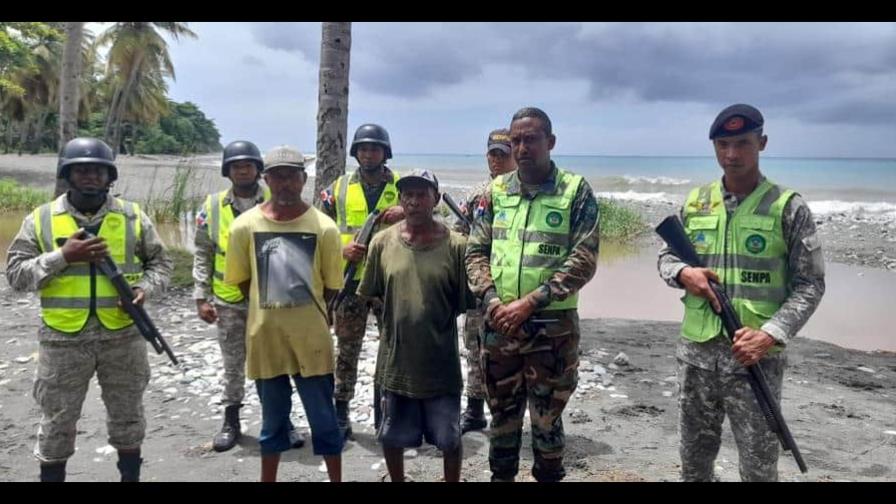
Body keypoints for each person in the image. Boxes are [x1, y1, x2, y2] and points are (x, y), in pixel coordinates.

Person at [657, 103, 825, 482]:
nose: (731, 155)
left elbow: (810, 285)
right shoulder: (696, 202)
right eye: (723, 144)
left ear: (762, 143)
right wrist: (685, 274)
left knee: (759, 468)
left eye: (742, 143)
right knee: (694, 463)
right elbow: (666, 257)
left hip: (755, 361)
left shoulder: (788, 207)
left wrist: (769, 335)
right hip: (697, 357)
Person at [5, 137, 172, 482]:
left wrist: (144, 290)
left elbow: (161, 264)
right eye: (81, 170)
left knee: (128, 417)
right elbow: (16, 276)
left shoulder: (132, 216)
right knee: (57, 420)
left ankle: (130, 476)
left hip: (123, 335)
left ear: (110, 176)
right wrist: (63, 257)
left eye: (98, 170)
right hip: (62, 339)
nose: (91, 176)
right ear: (67, 174)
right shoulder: (42, 219)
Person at [465, 107, 600, 482]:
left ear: (550, 143)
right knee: (503, 420)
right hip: (499, 327)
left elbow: (584, 258)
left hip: (551, 329)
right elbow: (476, 252)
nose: (522, 147)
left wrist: (530, 302)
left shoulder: (575, 190)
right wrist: (492, 301)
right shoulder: (495, 191)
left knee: (546, 420)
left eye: (531, 139)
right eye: (516, 140)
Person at [224, 145, 343, 482]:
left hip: (312, 340)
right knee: (272, 424)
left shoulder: (324, 228)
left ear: (304, 179)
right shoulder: (244, 227)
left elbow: (332, 286)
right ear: (267, 179)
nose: (286, 183)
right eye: (278, 176)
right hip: (266, 339)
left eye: (293, 175)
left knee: (325, 422)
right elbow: (244, 283)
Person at [358, 169, 473, 482]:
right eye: (407, 194)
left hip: (441, 364)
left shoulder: (458, 247)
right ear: (400, 200)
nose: (413, 201)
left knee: (449, 439)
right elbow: (371, 295)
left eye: (421, 194)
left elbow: (464, 303)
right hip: (394, 363)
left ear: (435, 198)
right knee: (391, 436)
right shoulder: (381, 243)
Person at [193, 140, 304, 452]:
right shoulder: (212, 207)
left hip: (274, 298)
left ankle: (284, 421)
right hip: (229, 301)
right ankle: (231, 421)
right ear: (227, 171)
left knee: (279, 361)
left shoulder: (279, 199)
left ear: (259, 170)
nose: (242, 170)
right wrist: (201, 297)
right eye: (235, 165)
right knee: (233, 364)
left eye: (248, 165)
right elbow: (202, 253)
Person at [317, 123, 404, 440]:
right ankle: (341, 413)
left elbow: (430, 214)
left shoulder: (403, 187)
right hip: (350, 283)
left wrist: (407, 210)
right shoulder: (336, 188)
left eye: (375, 148)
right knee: (347, 349)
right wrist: (342, 249)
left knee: (391, 350)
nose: (369, 154)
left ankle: (386, 413)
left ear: (386, 152)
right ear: (355, 152)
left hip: (388, 283)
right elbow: (317, 232)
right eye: (364, 148)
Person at [451, 128, 516, 434]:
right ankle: (474, 410)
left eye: (502, 154)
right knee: (475, 348)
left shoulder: (522, 194)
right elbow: (457, 237)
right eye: (492, 154)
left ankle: (506, 410)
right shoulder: (477, 194)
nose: (496, 160)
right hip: (480, 286)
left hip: (514, 288)